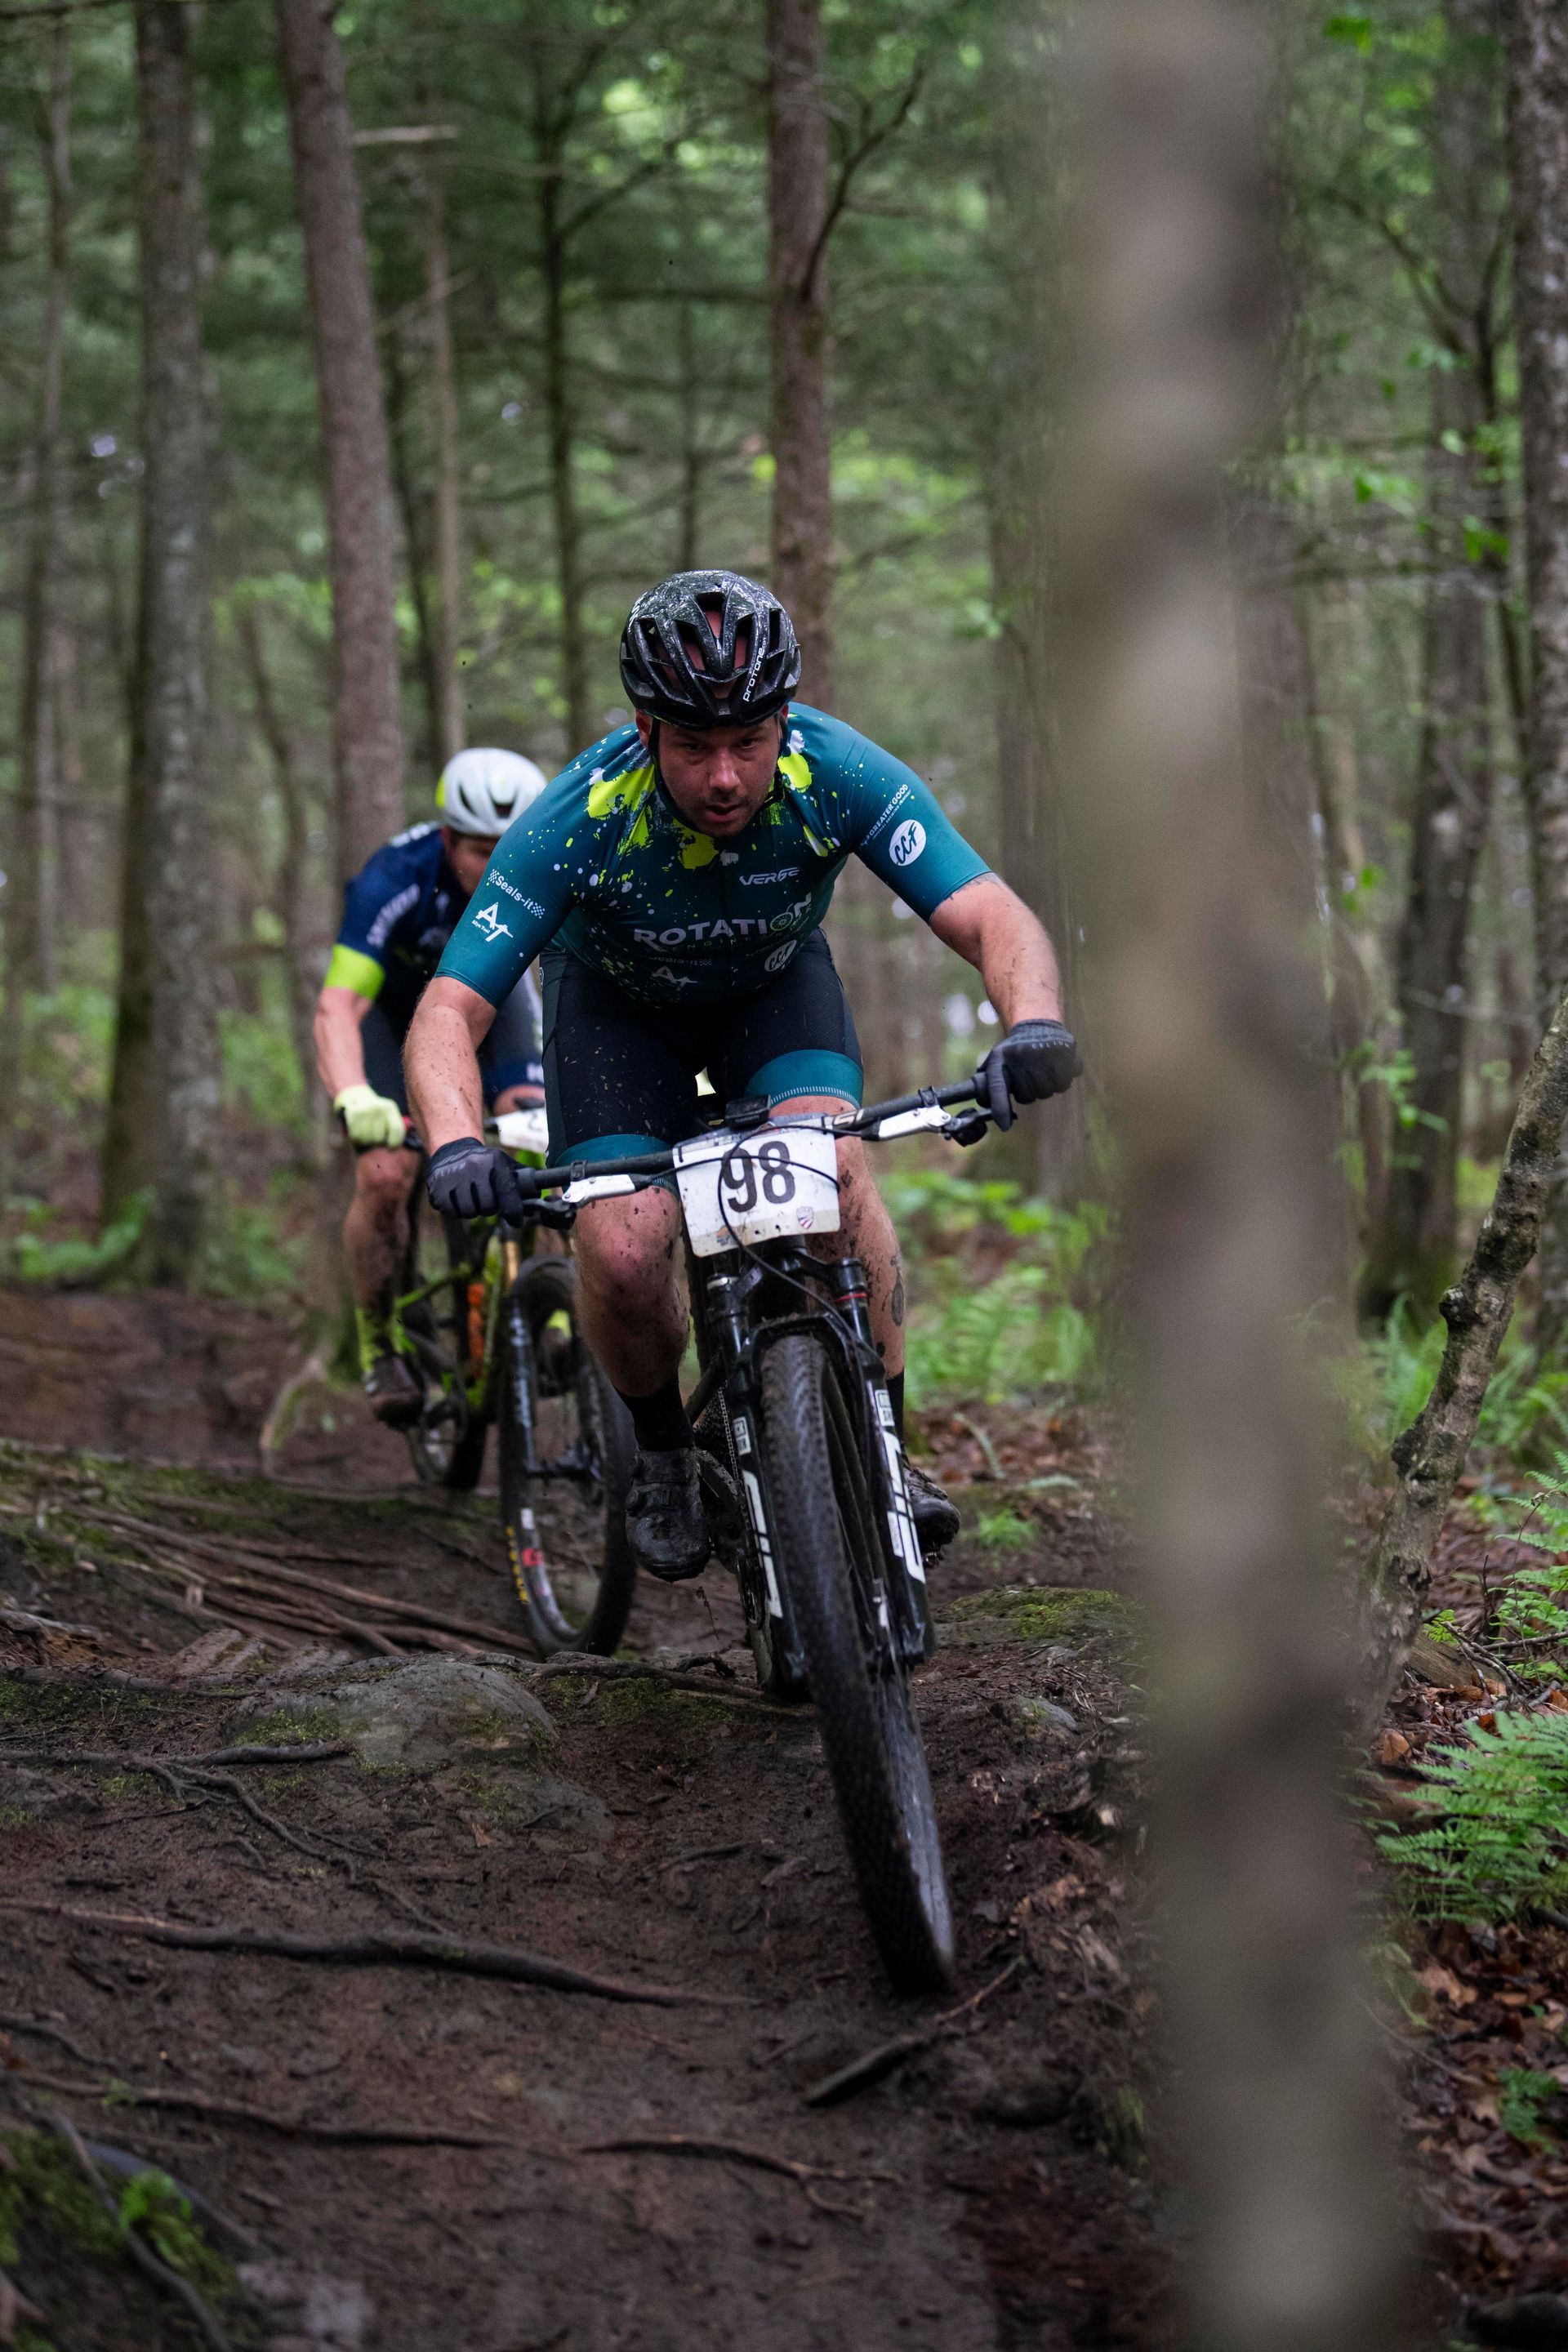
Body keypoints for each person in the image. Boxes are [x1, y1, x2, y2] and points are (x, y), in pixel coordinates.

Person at [403, 570, 1080, 1575]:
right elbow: (449, 1009)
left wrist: (1031, 1025)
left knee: (836, 1181)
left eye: (748, 742)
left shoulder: (834, 769)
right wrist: (458, 1140)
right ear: (644, 728)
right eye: (693, 747)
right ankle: (667, 1452)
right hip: (619, 1015)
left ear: (784, 720)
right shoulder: (580, 814)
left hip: (773, 994)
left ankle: (888, 1452)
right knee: (626, 1251)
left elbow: (987, 910)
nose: (725, 776)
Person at [314, 746, 550, 1423]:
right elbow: (338, 1007)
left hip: (496, 1010)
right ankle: (379, 1337)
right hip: (393, 1021)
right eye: (480, 851)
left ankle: (553, 1312)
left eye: (511, 849)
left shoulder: (547, 875)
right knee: (386, 1175)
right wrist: (354, 1096)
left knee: (539, 1143)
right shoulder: (395, 878)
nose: (495, 867)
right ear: (447, 839)